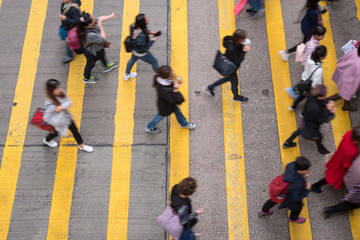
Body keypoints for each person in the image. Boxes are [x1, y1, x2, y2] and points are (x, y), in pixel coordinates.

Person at [282, 84, 335, 154]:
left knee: (299, 130)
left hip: (305, 119)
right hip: (311, 128)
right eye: (324, 95)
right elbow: (321, 119)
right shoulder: (316, 108)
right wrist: (329, 110)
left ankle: (287, 143)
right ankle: (321, 150)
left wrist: (327, 104)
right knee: (319, 137)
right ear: (320, 96)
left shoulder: (312, 95)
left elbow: (320, 101)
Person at [43, 79, 93, 152]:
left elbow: (69, 102)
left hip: (66, 118)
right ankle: (47, 140)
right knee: (55, 133)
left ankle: (81, 145)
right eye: (57, 89)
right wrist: (56, 120)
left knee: (74, 130)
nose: (59, 90)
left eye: (59, 87)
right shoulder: (50, 104)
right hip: (58, 123)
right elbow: (46, 118)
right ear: (51, 91)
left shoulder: (61, 93)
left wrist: (62, 107)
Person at [259, 157, 311, 224]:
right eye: (307, 169)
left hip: (279, 190)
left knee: (273, 200)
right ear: (300, 171)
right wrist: (307, 189)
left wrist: (302, 176)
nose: (309, 170)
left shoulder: (291, 165)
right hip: (287, 193)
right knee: (297, 208)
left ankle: (264, 210)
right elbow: (296, 198)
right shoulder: (297, 184)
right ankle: (293, 218)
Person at [203, 29, 251, 103]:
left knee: (227, 79)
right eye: (243, 39)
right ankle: (236, 97)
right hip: (231, 68)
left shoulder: (229, 39)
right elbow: (237, 62)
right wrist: (244, 51)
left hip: (228, 65)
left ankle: (210, 87)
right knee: (234, 83)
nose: (245, 40)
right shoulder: (232, 50)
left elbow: (224, 43)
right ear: (238, 39)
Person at [145, 65, 195, 134]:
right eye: (171, 74)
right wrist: (175, 89)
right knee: (159, 117)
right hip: (165, 107)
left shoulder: (166, 81)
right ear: (166, 77)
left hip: (170, 104)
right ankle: (149, 127)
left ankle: (184, 123)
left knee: (178, 112)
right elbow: (173, 100)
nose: (173, 73)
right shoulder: (162, 90)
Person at [311, 127, 360, 193]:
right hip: (340, 167)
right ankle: (315, 186)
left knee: (331, 175)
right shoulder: (352, 151)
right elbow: (346, 164)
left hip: (337, 158)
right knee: (331, 178)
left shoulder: (349, 133)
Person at [77, 12, 118, 84]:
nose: (95, 19)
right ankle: (86, 78)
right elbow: (103, 38)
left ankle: (106, 66)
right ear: (88, 25)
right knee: (90, 64)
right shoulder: (89, 35)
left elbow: (100, 19)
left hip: (98, 49)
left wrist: (111, 15)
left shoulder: (86, 24)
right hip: (92, 53)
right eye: (93, 19)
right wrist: (100, 26)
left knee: (102, 55)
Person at [286, 45, 327, 110]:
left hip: (304, 79)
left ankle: (293, 106)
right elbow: (315, 83)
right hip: (310, 86)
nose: (326, 56)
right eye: (325, 55)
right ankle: (303, 112)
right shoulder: (319, 70)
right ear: (321, 57)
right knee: (309, 99)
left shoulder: (310, 57)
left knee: (302, 95)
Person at [123, 14, 160, 81]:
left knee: (132, 60)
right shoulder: (141, 38)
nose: (148, 19)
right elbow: (145, 48)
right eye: (146, 19)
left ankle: (126, 74)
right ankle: (162, 76)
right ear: (143, 22)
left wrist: (150, 32)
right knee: (154, 62)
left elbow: (142, 30)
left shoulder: (133, 25)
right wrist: (153, 40)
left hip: (134, 49)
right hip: (141, 53)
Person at [326, 47, 360, 111]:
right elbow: (358, 80)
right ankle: (324, 100)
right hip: (349, 82)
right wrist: (353, 91)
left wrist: (338, 61)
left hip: (344, 73)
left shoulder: (354, 51)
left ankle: (346, 105)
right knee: (342, 95)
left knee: (346, 95)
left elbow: (344, 57)